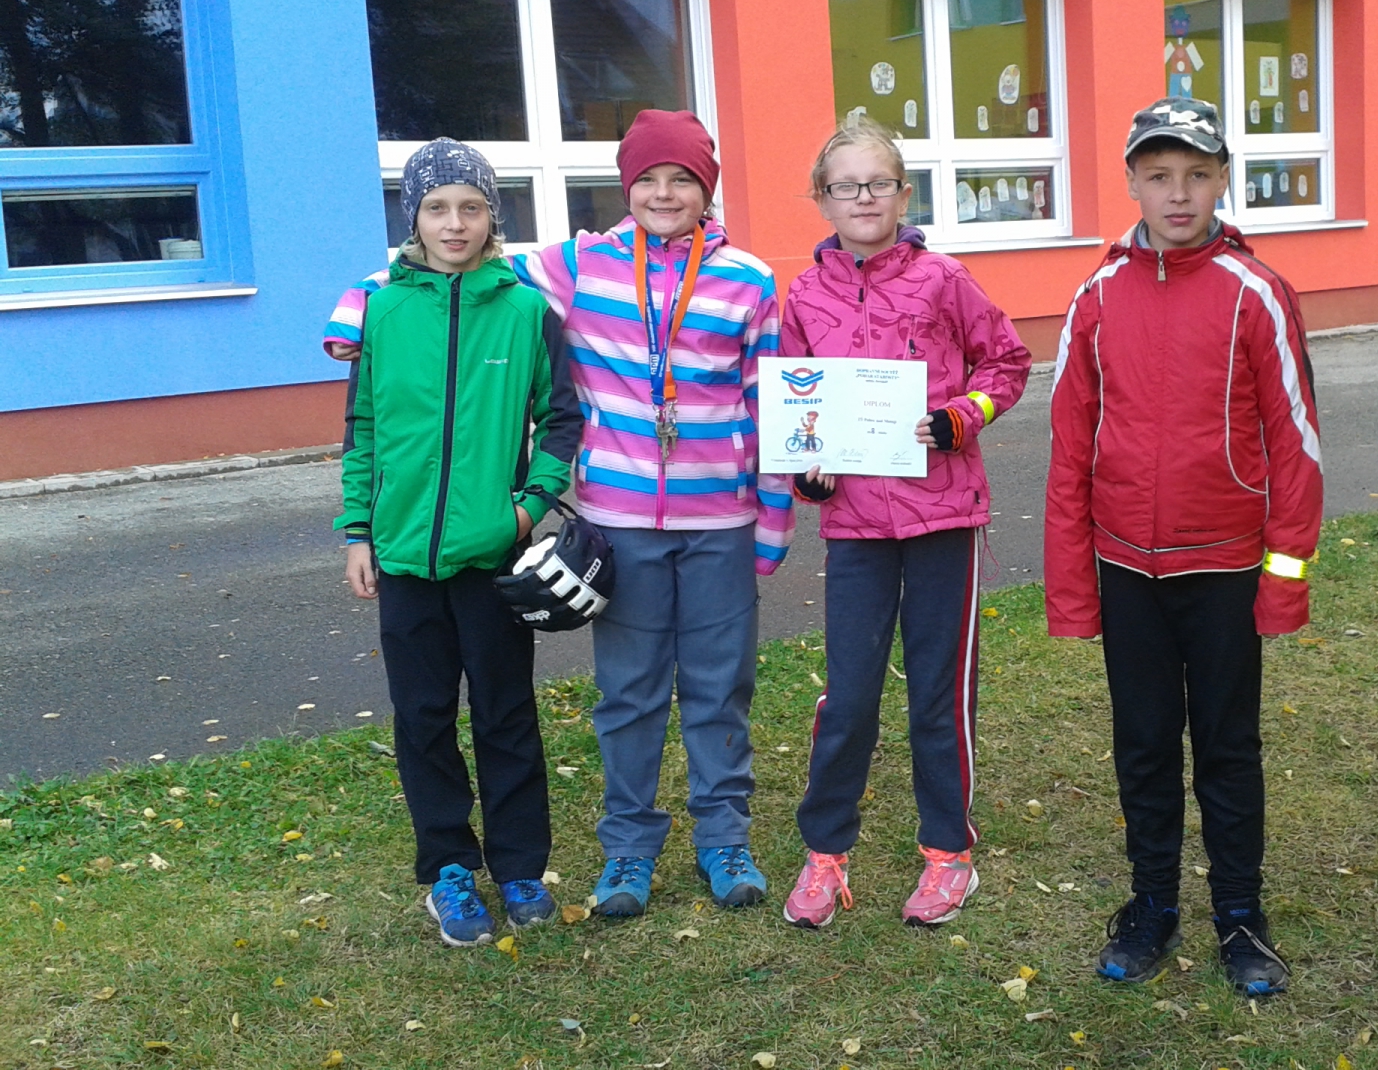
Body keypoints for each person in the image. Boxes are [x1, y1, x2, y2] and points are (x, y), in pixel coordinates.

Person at [324, 110, 794, 917]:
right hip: (618, 520)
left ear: (707, 189)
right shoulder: (579, 264)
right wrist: (355, 303)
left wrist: (774, 521)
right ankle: (628, 850)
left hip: (721, 518)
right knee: (629, 693)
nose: (664, 193)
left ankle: (723, 839)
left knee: (721, 689)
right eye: (648, 179)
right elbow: (454, 266)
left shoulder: (749, 280)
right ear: (626, 186)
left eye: (683, 179)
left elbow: (772, 402)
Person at [1045, 98, 1323, 995]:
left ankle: (1240, 915)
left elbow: (1297, 446)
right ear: (1131, 182)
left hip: (1226, 570)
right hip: (1128, 571)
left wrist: (1283, 580)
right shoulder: (1096, 298)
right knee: (1143, 746)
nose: (1178, 194)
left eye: (1197, 175)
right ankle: (1152, 904)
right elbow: (1068, 453)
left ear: (1222, 182)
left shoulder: (1256, 293)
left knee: (1229, 749)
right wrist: (1072, 591)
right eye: (1159, 175)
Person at [777, 114, 1031, 929]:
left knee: (938, 694)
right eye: (845, 186)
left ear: (903, 193)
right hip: (855, 526)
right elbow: (798, 408)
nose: (862, 198)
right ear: (822, 199)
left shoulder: (943, 279)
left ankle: (948, 854)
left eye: (877, 184)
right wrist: (809, 471)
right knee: (848, 696)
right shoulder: (803, 295)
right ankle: (825, 852)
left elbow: (1008, 362)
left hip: (942, 518)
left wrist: (963, 416)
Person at [335, 138, 581, 946]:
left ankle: (519, 866)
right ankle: (448, 866)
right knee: (423, 715)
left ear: (491, 217)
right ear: (413, 218)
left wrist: (526, 511)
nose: (454, 223)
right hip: (404, 555)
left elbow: (562, 420)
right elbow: (362, 429)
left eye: (471, 207)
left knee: (506, 713)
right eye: (437, 207)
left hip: (491, 555)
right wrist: (359, 531)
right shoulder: (382, 311)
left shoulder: (523, 310)